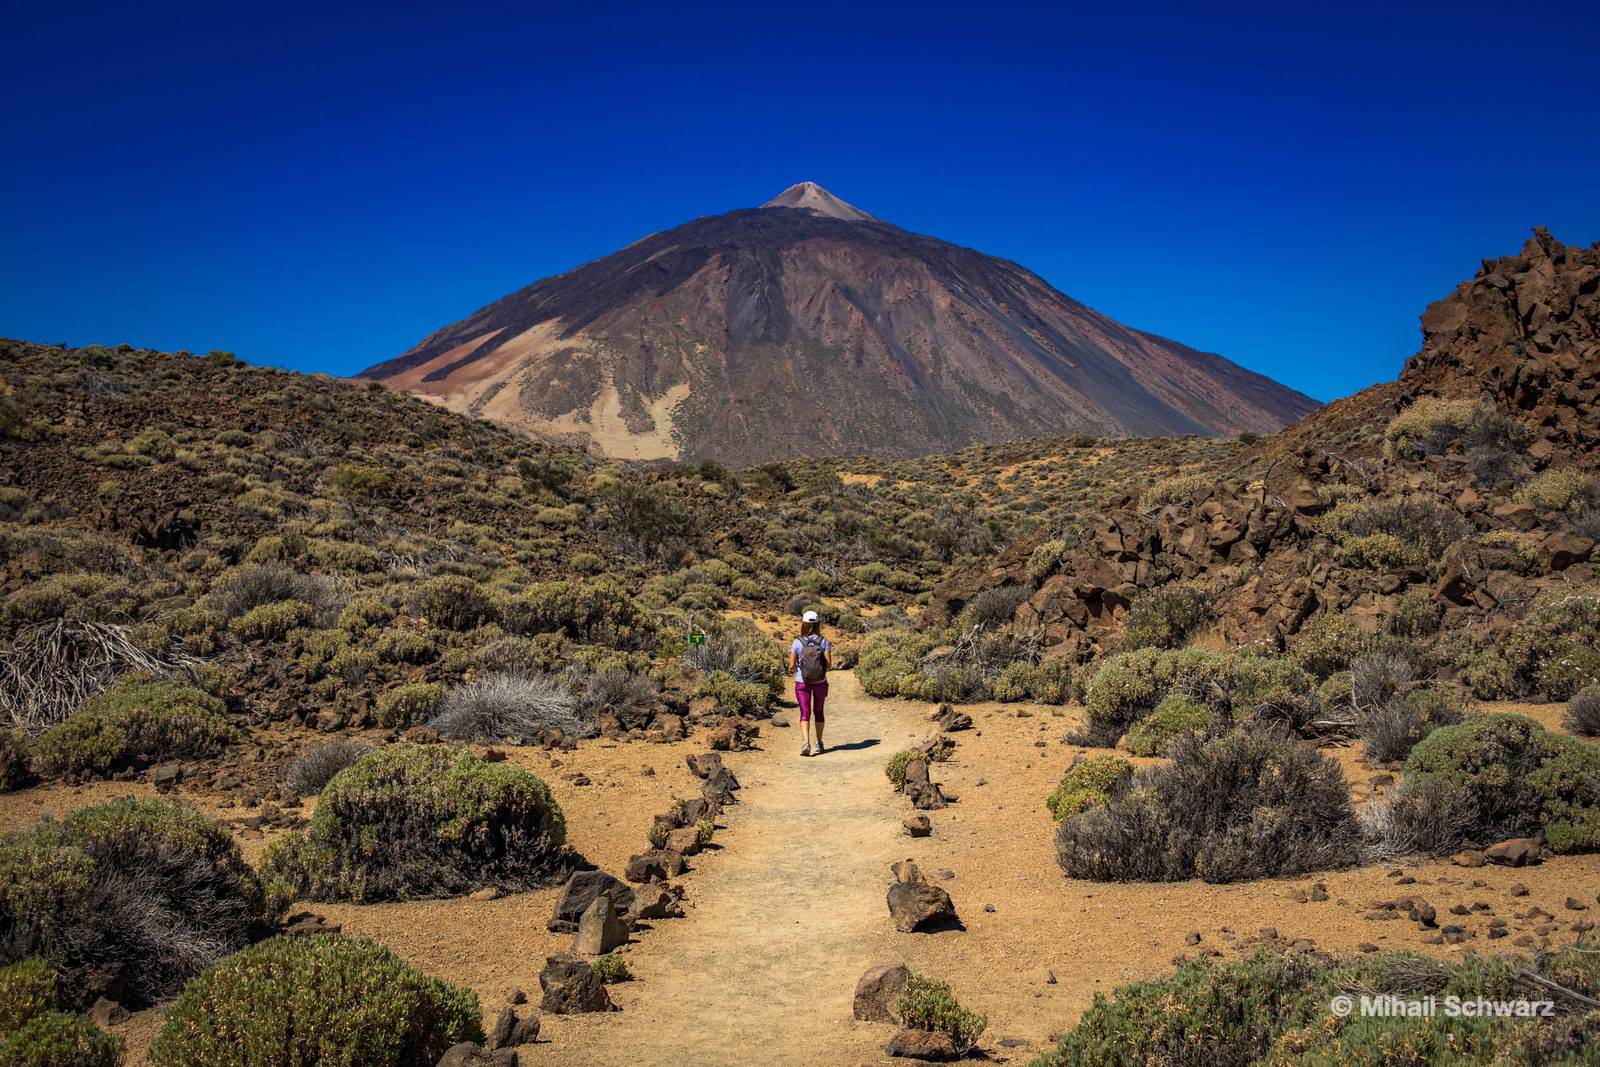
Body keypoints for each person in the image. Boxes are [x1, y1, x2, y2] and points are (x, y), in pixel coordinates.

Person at [788, 609, 832, 756]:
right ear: (818, 624)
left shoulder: (797, 642)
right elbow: (829, 664)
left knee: (804, 712)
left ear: (804, 624)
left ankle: (805, 743)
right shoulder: (824, 641)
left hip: (802, 682)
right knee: (819, 712)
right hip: (820, 681)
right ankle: (819, 743)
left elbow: (791, 665)